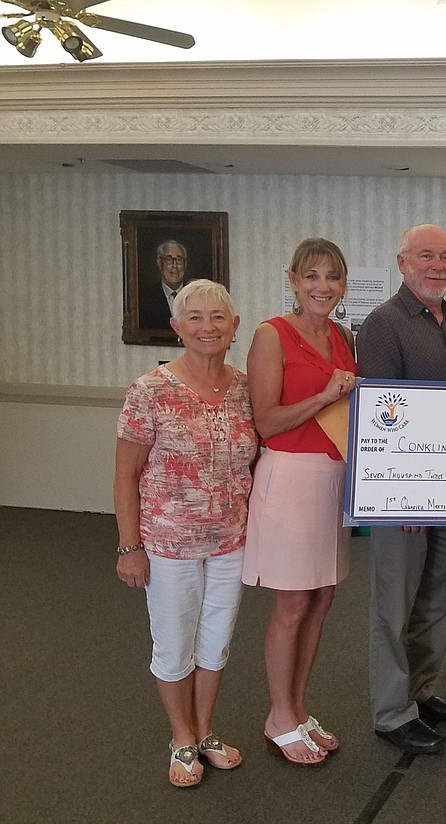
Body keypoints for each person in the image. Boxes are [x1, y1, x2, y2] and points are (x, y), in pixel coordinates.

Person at [114, 279, 258, 788]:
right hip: (168, 543)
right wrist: (130, 547)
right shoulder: (149, 391)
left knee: (216, 643)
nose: (207, 327)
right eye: (194, 317)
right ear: (177, 327)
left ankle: (204, 730)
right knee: (175, 644)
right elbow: (125, 477)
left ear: (234, 326)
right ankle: (181, 738)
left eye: (218, 317)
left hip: (231, 541)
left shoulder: (245, 388)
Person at [356, 224, 446, 755]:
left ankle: (422, 690)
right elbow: (381, 416)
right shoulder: (383, 324)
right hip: (403, 497)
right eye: (426, 256)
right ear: (402, 262)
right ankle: (391, 711)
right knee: (395, 603)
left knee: (438, 598)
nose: (438, 265)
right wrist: (399, 492)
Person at [242, 237, 356, 765]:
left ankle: (297, 707)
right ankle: (278, 714)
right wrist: (323, 396)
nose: (323, 287)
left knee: (322, 598)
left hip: (333, 479)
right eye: (312, 276)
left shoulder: (343, 336)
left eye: (332, 277)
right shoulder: (272, 335)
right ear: (292, 280)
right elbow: (266, 421)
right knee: (291, 601)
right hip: (288, 477)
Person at [140, 240, 193, 330]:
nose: (175, 265)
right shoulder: (145, 299)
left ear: (185, 264)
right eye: (169, 260)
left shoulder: (195, 295)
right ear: (160, 264)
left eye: (179, 260)